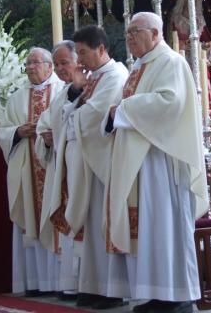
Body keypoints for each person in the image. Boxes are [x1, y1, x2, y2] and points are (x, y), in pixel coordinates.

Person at [104, 12, 208, 313]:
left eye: (134, 32)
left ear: (154, 33)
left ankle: (179, 296)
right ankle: (154, 293)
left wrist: (123, 108)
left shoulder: (170, 62)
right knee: (148, 230)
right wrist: (117, 114)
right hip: (139, 160)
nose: (129, 38)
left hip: (160, 161)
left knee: (165, 228)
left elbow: (169, 102)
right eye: (127, 33)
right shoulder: (140, 66)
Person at [64, 26, 130, 309]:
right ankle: (92, 285)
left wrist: (74, 116)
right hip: (87, 160)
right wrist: (76, 91)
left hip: (105, 159)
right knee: (90, 225)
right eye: (76, 53)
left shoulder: (115, 76)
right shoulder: (93, 78)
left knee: (104, 222)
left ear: (101, 49)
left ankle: (111, 289)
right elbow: (70, 113)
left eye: (83, 53)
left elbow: (94, 116)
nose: (79, 60)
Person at [0, 47, 66, 295]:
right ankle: (36, 282)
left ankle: (61, 283)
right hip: (27, 168)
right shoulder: (17, 97)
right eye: (27, 64)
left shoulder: (62, 90)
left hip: (56, 167)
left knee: (57, 215)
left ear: (49, 65)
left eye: (35, 63)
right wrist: (17, 132)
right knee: (31, 216)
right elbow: (1, 129)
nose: (30, 68)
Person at [35, 41, 81, 299]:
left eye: (65, 62)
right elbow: (46, 124)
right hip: (64, 168)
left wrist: (60, 135)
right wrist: (46, 138)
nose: (62, 68)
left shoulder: (87, 86)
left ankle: (83, 281)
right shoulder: (63, 93)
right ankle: (70, 282)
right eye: (59, 64)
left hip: (81, 167)